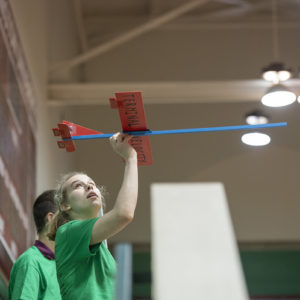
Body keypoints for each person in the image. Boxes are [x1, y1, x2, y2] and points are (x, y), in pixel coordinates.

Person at [48, 132, 138, 300]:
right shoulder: (67, 233)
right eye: (78, 186)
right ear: (65, 205)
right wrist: (131, 158)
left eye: (92, 185)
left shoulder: (103, 252)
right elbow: (124, 213)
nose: (89, 187)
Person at [9, 190, 62, 300]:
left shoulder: (61, 266)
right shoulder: (30, 262)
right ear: (51, 218)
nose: (74, 224)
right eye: (68, 216)